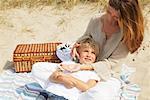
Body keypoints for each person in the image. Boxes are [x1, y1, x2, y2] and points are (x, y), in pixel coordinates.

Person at [59, 0, 144, 99]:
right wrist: (77, 46)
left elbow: (111, 63)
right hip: (84, 65)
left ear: (127, 19)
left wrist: (82, 68)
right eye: (108, 12)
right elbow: (86, 37)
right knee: (38, 68)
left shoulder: (127, 34)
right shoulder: (96, 20)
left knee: (98, 96)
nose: (109, 19)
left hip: (108, 75)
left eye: (116, 17)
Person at [31, 38, 100, 100]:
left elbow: (86, 87)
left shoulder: (93, 73)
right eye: (86, 51)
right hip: (48, 91)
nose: (89, 55)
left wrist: (70, 79)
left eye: (93, 53)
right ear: (78, 53)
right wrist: (63, 80)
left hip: (65, 96)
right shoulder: (68, 64)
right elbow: (52, 77)